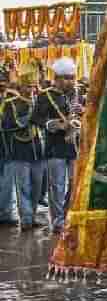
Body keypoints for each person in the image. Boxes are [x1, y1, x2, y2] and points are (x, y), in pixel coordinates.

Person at [32, 57, 78, 233]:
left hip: (74, 146)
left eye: (72, 77)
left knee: (75, 185)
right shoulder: (45, 96)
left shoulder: (76, 94)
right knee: (57, 186)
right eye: (67, 77)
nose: (71, 81)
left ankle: (69, 216)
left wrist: (81, 116)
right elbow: (35, 118)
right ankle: (58, 222)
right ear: (57, 78)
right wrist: (55, 124)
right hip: (55, 147)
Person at [1, 77, 43, 231]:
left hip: (38, 151)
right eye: (28, 86)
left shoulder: (38, 102)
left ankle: (32, 215)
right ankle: (26, 219)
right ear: (20, 87)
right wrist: (29, 117)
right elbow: (7, 125)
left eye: (33, 86)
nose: (31, 89)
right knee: (24, 187)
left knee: (38, 186)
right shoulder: (10, 103)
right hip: (19, 150)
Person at [0, 73, 19, 227]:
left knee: (7, 182)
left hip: (7, 147)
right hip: (6, 147)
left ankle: (6, 213)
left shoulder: (12, 99)